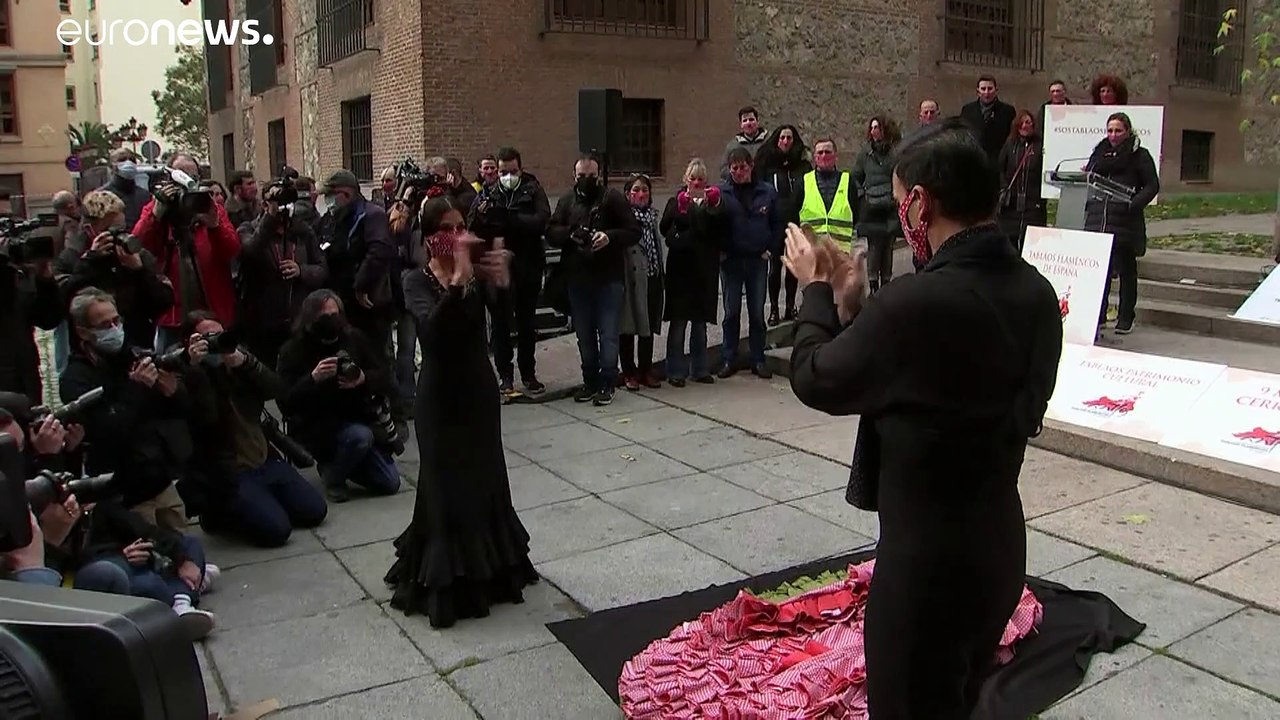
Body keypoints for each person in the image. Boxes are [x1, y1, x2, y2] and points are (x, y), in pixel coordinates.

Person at [783, 117, 1063, 718]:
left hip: (926, 568)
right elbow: (929, 381)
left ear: (918, 202)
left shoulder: (917, 300)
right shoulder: (1035, 293)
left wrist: (815, 287)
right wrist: (856, 308)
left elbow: (815, 378)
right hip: (995, 546)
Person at [384, 195, 537, 629]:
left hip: (477, 389)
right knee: (442, 482)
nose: (458, 234)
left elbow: (498, 321)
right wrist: (456, 284)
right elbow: (431, 336)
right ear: (432, 238)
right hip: (439, 393)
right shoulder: (416, 280)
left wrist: (500, 278)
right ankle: (444, 577)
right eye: (449, 228)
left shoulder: (474, 269)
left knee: (484, 476)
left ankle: (491, 570)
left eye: (460, 224)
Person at [546, 155, 641, 406]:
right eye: (581, 176)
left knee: (608, 333)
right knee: (584, 335)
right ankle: (590, 381)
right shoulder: (567, 200)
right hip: (578, 278)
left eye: (591, 176)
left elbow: (633, 231)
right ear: (574, 176)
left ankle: (607, 382)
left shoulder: (612, 199)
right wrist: (571, 234)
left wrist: (609, 236)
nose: (586, 180)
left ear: (598, 175)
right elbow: (552, 232)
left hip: (609, 278)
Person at [1085, 111, 1159, 336]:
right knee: (1101, 273)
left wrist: (1133, 204)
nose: (1113, 135)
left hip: (1125, 220)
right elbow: (1090, 175)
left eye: (1118, 130)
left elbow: (1152, 185)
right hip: (1100, 218)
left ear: (1128, 131)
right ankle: (1098, 316)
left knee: (1126, 271)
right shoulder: (1099, 153)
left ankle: (1126, 317)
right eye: (1110, 130)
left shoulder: (1139, 155)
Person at [660, 159, 725, 387]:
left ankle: (699, 369)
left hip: (704, 270)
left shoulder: (713, 203)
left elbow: (718, 231)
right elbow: (665, 228)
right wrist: (683, 209)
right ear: (686, 180)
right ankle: (675, 370)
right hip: (680, 270)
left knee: (700, 324)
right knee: (678, 323)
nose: (696, 182)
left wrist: (712, 208)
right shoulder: (675, 201)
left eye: (700, 179)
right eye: (693, 178)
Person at [753, 125, 812, 325]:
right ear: (777, 141)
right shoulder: (768, 166)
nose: (786, 142)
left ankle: (790, 306)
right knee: (775, 268)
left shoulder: (803, 167)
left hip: (796, 222)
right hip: (775, 223)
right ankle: (774, 309)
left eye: (789, 138)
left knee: (794, 267)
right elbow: (759, 192)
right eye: (782, 138)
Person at [618, 173, 665, 391]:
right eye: (636, 190)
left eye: (644, 190)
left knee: (648, 327)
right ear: (628, 195)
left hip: (652, 277)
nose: (641, 194)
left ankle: (646, 369)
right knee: (628, 327)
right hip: (632, 279)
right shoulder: (624, 219)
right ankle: (629, 371)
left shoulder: (652, 218)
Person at [997, 109, 1047, 252]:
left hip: (1033, 202)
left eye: (1028, 122)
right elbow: (1000, 168)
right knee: (1010, 240)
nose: (1025, 126)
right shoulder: (1010, 145)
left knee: (1032, 242)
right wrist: (1004, 187)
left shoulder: (1041, 145)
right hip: (1011, 203)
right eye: (1022, 123)